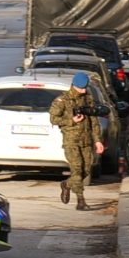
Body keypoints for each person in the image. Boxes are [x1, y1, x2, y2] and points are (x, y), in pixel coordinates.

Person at [48, 72, 105, 210]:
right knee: (77, 170)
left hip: (86, 140)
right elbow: (53, 119)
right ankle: (81, 201)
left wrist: (97, 140)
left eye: (85, 87)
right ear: (74, 85)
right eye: (81, 88)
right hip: (71, 141)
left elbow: (94, 121)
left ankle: (66, 185)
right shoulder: (62, 100)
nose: (84, 90)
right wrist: (71, 120)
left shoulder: (87, 99)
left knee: (86, 170)